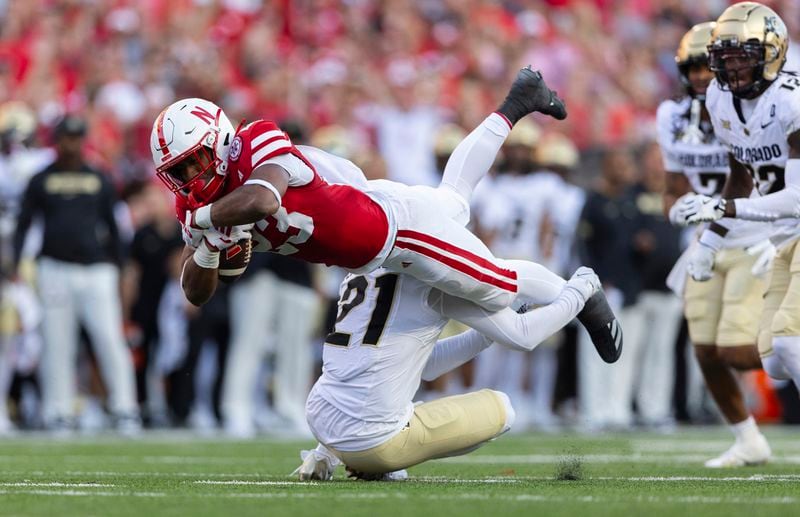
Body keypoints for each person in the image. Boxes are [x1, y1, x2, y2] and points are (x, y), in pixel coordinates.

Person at [149, 66, 623, 364]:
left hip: (391, 223)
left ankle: (581, 292)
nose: (191, 176)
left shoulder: (254, 142)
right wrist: (209, 248)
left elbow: (263, 200)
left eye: (195, 159)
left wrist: (206, 223)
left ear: (219, 139)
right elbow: (201, 290)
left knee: (496, 284)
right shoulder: (200, 205)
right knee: (458, 204)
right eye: (179, 170)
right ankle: (518, 101)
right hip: (373, 258)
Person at [658, 21, 772, 467]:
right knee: (704, 349)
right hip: (705, 239)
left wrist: (711, 214)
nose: (704, 77)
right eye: (696, 69)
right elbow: (671, 186)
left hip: (754, 233)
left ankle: (791, 352)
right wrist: (677, 209)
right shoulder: (671, 116)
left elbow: (743, 181)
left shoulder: (746, 109)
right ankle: (748, 439)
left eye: (712, 67)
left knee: (736, 351)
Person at [677, 3, 800, 408]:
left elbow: (798, 197)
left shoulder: (791, 100)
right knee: (775, 359)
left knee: (788, 340)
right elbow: (742, 177)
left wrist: (721, 210)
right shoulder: (719, 98)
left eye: (742, 59)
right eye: (724, 60)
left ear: (772, 51)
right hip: (784, 237)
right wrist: (710, 242)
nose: (732, 71)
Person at [13, 115, 140, 432]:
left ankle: (125, 408)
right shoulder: (40, 179)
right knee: (57, 343)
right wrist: (15, 263)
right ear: (57, 141)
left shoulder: (100, 177)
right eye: (67, 138)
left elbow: (113, 227)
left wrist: (120, 266)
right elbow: (24, 225)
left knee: (110, 339)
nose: (72, 144)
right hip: (54, 267)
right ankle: (59, 410)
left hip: (97, 270)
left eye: (77, 137)